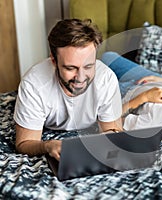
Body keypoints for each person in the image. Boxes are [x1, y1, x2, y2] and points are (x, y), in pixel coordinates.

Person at [13, 19, 123, 161]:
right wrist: (47, 146)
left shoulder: (106, 79)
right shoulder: (34, 84)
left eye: (89, 66)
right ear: (53, 60)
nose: (81, 78)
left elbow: (112, 132)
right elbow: (24, 143)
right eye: (71, 68)